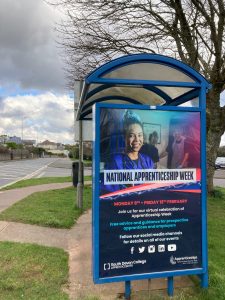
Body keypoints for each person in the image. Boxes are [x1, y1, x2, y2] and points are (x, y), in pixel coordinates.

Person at [101, 110, 154, 194]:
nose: (137, 140)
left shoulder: (148, 161)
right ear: (124, 137)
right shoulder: (116, 161)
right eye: (131, 135)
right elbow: (108, 194)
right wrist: (126, 189)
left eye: (140, 135)